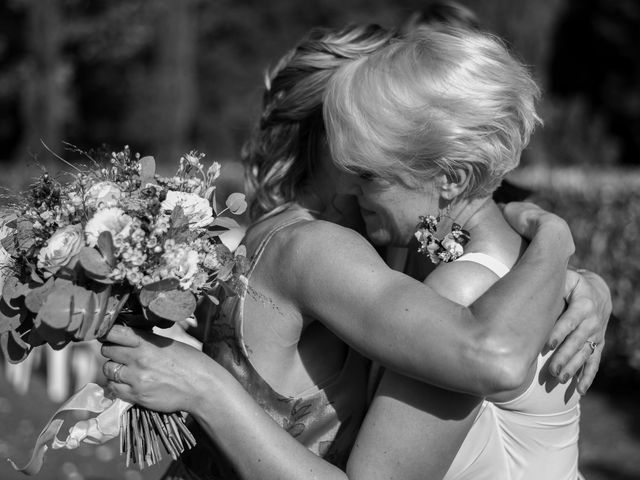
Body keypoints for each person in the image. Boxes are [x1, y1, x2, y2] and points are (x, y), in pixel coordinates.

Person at [100, 24, 611, 480]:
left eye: (369, 173)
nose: (353, 189)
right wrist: (555, 240)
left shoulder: (460, 287)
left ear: (450, 176)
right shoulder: (471, 259)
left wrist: (207, 389)